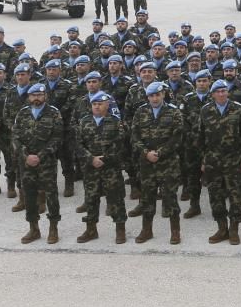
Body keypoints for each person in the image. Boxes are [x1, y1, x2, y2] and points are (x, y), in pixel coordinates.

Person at [128, 81, 184, 245]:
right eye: (151, 95)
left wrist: (159, 153)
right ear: (147, 97)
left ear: (163, 94)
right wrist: (146, 152)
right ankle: (147, 230)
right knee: (147, 198)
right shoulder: (141, 111)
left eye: (157, 94)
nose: (154, 98)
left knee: (170, 197)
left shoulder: (173, 112)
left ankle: (175, 231)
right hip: (147, 163)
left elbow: (177, 138)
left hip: (168, 163)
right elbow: (134, 136)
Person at [198, 79, 241, 245]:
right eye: (217, 91)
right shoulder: (205, 110)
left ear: (227, 92)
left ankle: (234, 229)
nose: (221, 94)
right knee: (215, 196)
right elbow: (200, 137)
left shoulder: (238, 109)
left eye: (223, 91)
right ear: (212, 94)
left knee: (235, 196)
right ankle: (222, 228)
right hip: (213, 161)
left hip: (233, 160)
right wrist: (203, 160)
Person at [12, 83, 64, 245]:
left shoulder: (54, 113)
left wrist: (40, 156)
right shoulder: (22, 113)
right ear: (29, 97)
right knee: (29, 195)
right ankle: (33, 228)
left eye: (39, 95)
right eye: (33, 95)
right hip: (26, 164)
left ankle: (53, 227)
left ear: (45, 96)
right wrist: (26, 156)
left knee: (51, 195)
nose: (36, 98)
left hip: (46, 162)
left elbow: (57, 138)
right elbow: (15, 138)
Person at [74, 92, 128, 244]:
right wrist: (91, 159)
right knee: (91, 199)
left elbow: (120, 144)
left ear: (107, 105)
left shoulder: (115, 122)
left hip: (110, 168)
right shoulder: (84, 121)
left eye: (100, 104)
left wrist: (104, 159)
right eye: (94, 104)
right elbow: (78, 144)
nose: (97, 106)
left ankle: (120, 229)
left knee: (116, 198)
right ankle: (91, 229)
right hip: (90, 168)